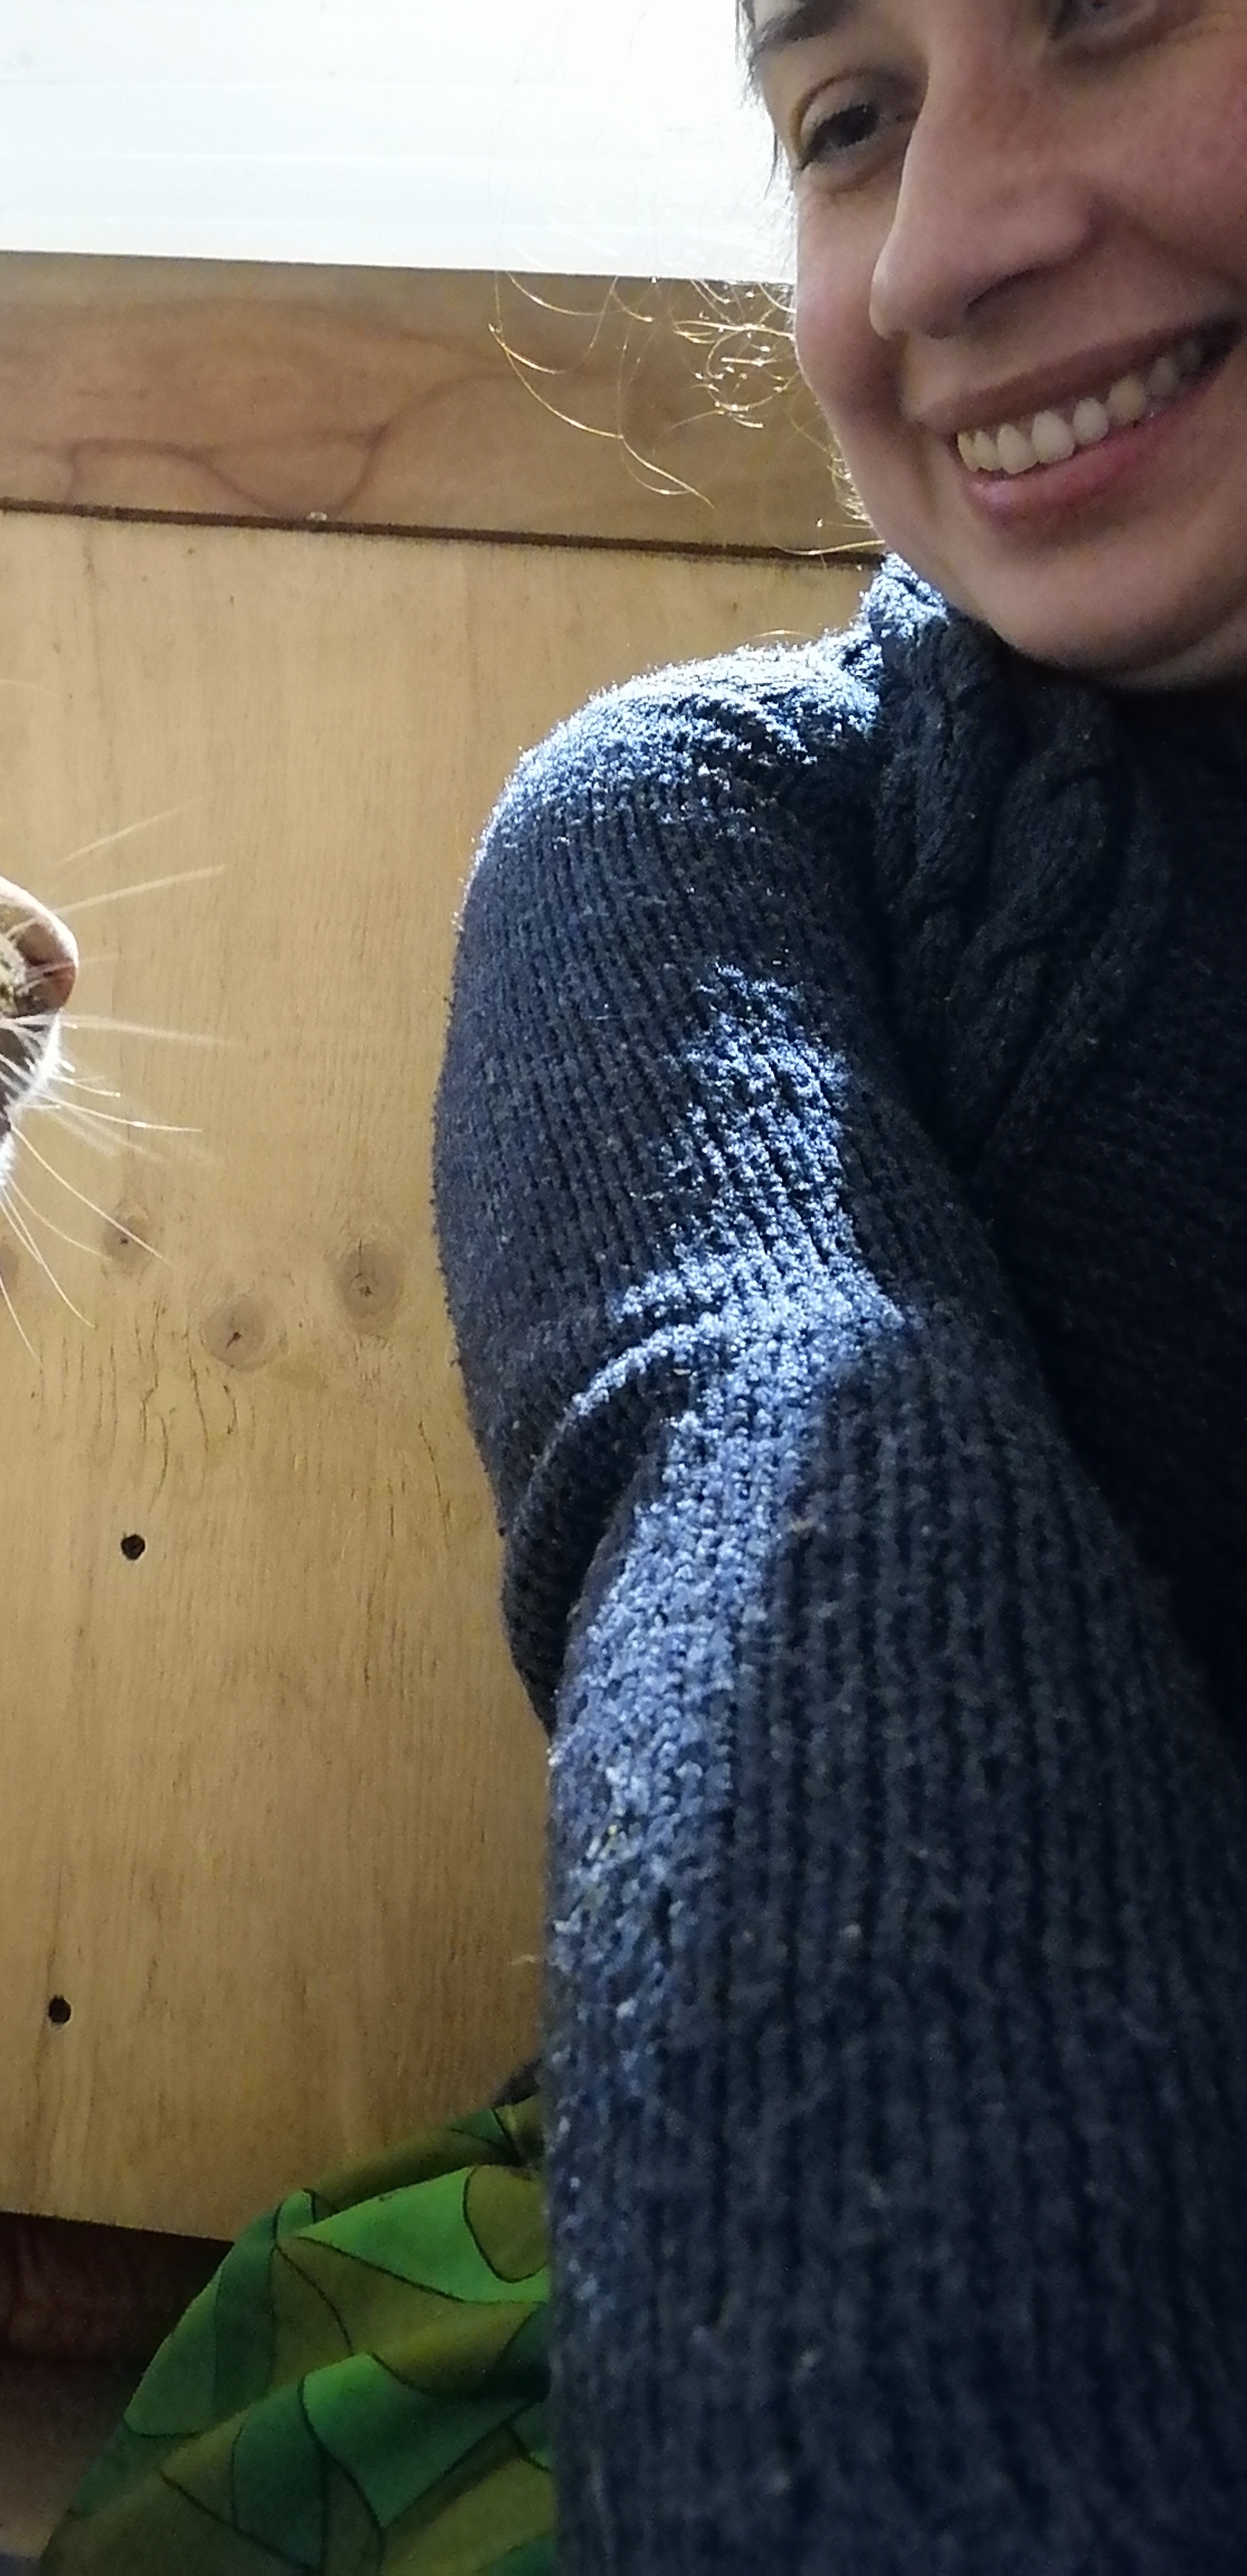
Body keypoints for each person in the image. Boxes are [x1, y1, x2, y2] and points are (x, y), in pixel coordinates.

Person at [431, 0, 1247, 2565]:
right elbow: (792, 1453)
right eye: (848, 122)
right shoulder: (708, 836)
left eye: (1108, 12)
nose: (937, 256)